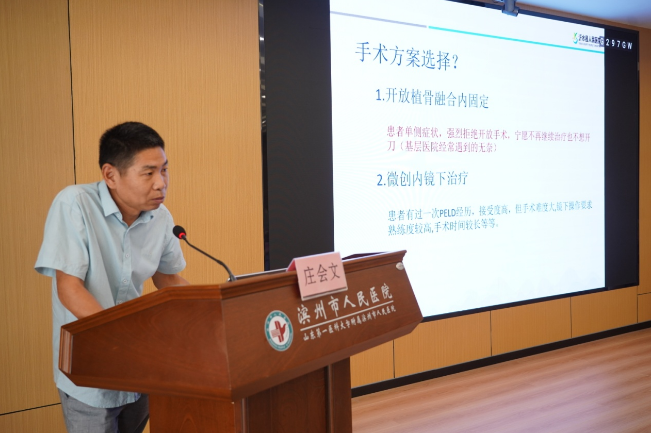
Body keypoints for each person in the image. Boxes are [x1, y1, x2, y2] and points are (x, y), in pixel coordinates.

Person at [35, 121, 189, 433]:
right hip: (89, 371)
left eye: (164, 170)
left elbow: (169, 282)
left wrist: (213, 312)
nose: (161, 183)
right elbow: (70, 288)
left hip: (141, 369)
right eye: (148, 173)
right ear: (110, 175)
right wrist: (122, 341)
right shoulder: (75, 204)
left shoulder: (161, 218)